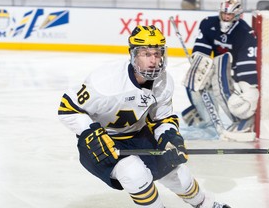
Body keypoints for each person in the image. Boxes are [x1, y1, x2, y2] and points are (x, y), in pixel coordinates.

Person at [58, 25, 230, 208]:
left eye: (157, 54)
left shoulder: (164, 82)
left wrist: (169, 138)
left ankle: (205, 204)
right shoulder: (105, 82)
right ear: (133, 54)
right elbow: (67, 108)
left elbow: (162, 119)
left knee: (179, 175)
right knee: (134, 174)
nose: (153, 60)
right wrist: (90, 133)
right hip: (103, 143)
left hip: (137, 135)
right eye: (146, 54)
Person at [181, 0, 259, 140]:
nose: (226, 17)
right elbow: (200, 51)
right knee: (192, 79)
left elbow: (245, 64)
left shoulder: (245, 32)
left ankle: (240, 119)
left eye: (229, 15)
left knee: (220, 79)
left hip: (233, 69)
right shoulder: (208, 24)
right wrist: (199, 67)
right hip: (217, 65)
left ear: (237, 15)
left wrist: (247, 85)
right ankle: (203, 114)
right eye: (224, 14)